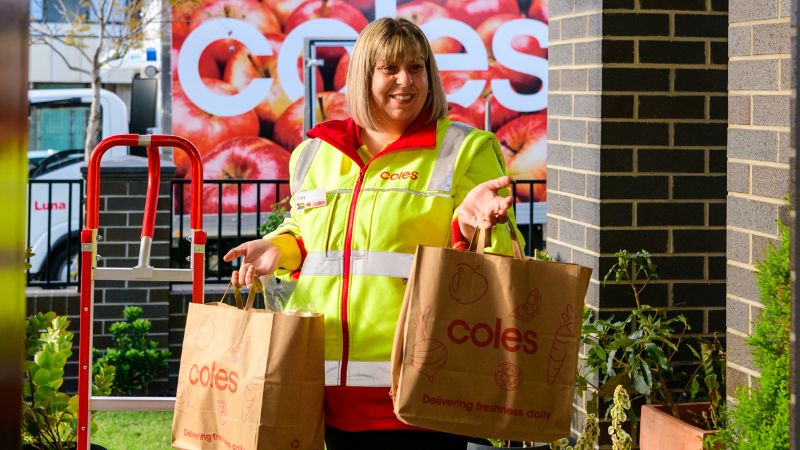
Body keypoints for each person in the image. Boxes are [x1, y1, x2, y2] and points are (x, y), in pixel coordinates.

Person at [223, 17, 525, 450]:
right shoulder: (314, 153)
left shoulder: (465, 150)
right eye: (390, 69)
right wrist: (280, 245)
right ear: (364, 75)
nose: (406, 81)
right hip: (324, 388)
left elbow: (501, 263)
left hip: (423, 390)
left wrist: (467, 225)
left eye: (417, 68)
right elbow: (308, 231)